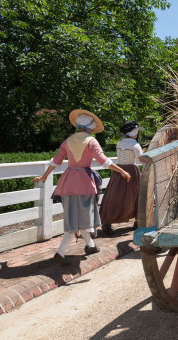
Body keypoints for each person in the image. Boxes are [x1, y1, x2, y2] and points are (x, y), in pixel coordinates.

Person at [33, 110, 131, 266]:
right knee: (77, 220)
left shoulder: (67, 141)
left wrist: (44, 177)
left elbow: (55, 161)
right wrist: (122, 171)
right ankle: (60, 253)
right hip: (84, 184)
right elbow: (104, 161)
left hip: (68, 183)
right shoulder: (91, 142)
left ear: (78, 126)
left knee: (77, 217)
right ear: (90, 128)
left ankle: (90, 245)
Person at [99, 120, 145, 235]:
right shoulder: (135, 144)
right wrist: (143, 153)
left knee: (114, 195)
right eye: (136, 131)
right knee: (135, 195)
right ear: (132, 132)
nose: (137, 134)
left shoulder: (119, 143)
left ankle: (107, 222)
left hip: (119, 170)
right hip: (131, 171)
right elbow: (140, 161)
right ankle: (137, 221)